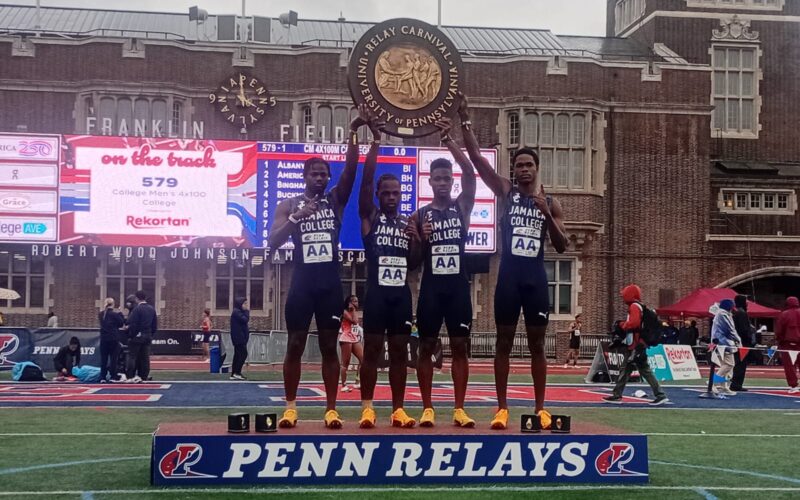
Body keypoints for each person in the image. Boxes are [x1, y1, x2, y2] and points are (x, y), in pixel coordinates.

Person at [458, 94, 568, 430]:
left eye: (528, 165)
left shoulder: (550, 201)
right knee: (503, 342)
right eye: (518, 165)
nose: (523, 169)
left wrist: (547, 215)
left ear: (536, 169)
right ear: (514, 170)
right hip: (508, 278)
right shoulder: (505, 192)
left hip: (535, 278)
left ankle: (540, 407)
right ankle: (502, 408)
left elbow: (562, 246)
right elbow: (477, 160)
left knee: (538, 345)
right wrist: (465, 120)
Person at [269, 105, 364, 429]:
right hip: (302, 282)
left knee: (328, 347)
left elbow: (351, 171)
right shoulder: (289, 204)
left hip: (329, 283)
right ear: (304, 176)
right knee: (295, 343)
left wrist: (354, 132)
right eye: (315, 174)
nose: (321, 178)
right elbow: (272, 242)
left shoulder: (335, 201)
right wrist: (298, 217)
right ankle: (291, 407)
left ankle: (331, 408)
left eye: (325, 174)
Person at [410, 115, 477, 428]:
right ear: (430, 181)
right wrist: (421, 239)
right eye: (436, 178)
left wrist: (450, 140)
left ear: (451, 181)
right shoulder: (420, 214)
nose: (441, 183)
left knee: (460, 346)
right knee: (426, 345)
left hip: (458, 288)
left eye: (445, 178)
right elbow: (413, 262)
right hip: (432, 289)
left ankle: (459, 408)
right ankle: (427, 407)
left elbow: (470, 173)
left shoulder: (461, 206)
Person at [356, 111, 421, 429]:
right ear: (379, 196)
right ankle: (367, 407)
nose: (392, 197)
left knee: (399, 353)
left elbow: (415, 263)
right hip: (376, 294)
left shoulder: (408, 222)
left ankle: (398, 409)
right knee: (371, 351)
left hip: (401, 296)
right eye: (387, 193)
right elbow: (365, 182)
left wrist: (417, 240)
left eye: (396, 193)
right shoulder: (371, 216)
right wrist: (375, 143)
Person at [603, 285, 669, 406]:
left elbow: (634, 323)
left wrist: (622, 325)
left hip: (636, 345)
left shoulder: (634, 306)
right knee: (628, 370)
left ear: (630, 295)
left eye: (624, 294)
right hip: (637, 344)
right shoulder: (639, 306)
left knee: (644, 370)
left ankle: (660, 395)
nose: (622, 296)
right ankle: (617, 394)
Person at [710, 299, 741, 397]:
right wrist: (738, 340)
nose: (732, 310)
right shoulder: (723, 314)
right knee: (729, 365)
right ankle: (713, 383)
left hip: (723, 343)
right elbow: (730, 329)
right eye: (731, 308)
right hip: (724, 343)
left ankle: (724, 387)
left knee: (726, 366)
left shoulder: (722, 314)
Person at [126, 290, 157, 383]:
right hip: (147, 335)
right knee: (145, 357)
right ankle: (143, 376)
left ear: (136, 298)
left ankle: (130, 376)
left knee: (132, 356)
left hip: (138, 336)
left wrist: (131, 335)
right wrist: (151, 334)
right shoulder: (152, 309)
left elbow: (133, 323)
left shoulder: (137, 309)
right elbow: (154, 324)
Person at [339, 295, 364, 393]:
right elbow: (354, 321)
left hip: (354, 338)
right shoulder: (345, 312)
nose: (357, 303)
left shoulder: (354, 311)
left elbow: (356, 322)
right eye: (354, 301)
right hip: (346, 338)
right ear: (349, 302)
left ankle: (357, 381)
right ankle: (344, 385)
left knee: (363, 359)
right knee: (345, 363)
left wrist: (354, 310)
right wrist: (353, 309)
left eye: (357, 301)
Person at [731, 294, 756, 392]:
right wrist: (750, 338)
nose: (747, 303)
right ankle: (736, 384)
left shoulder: (736, 312)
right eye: (746, 301)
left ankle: (735, 383)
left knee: (738, 363)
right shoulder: (741, 313)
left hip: (739, 342)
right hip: (743, 343)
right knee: (740, 364)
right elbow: (743, 329)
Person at [775, 296, 800, 394]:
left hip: (788, 343)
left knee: (790, 366)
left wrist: (779, 340)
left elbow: (779, 330)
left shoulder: (784, 315)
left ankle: (793, 385)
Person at [98, 298, 125, 383]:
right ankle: (113, 376)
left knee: (104, 359)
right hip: (113, 339)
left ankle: (103, 377)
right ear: (113, 304)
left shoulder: (101, 314)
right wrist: (120, 312)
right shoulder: (114, 314)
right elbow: (121, 323)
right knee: (113, 359)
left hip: (104, 339)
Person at [230, 297, 250, 380]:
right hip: (238, 337)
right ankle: (237, 372)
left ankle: (234, 373)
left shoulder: (237, 312)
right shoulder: (237, 312)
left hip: (239, 337)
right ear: (240, 304)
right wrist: (247, 311)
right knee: (243, 354)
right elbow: (245, 320)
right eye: (244, 303)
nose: (246, 305)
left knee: (237, 355)